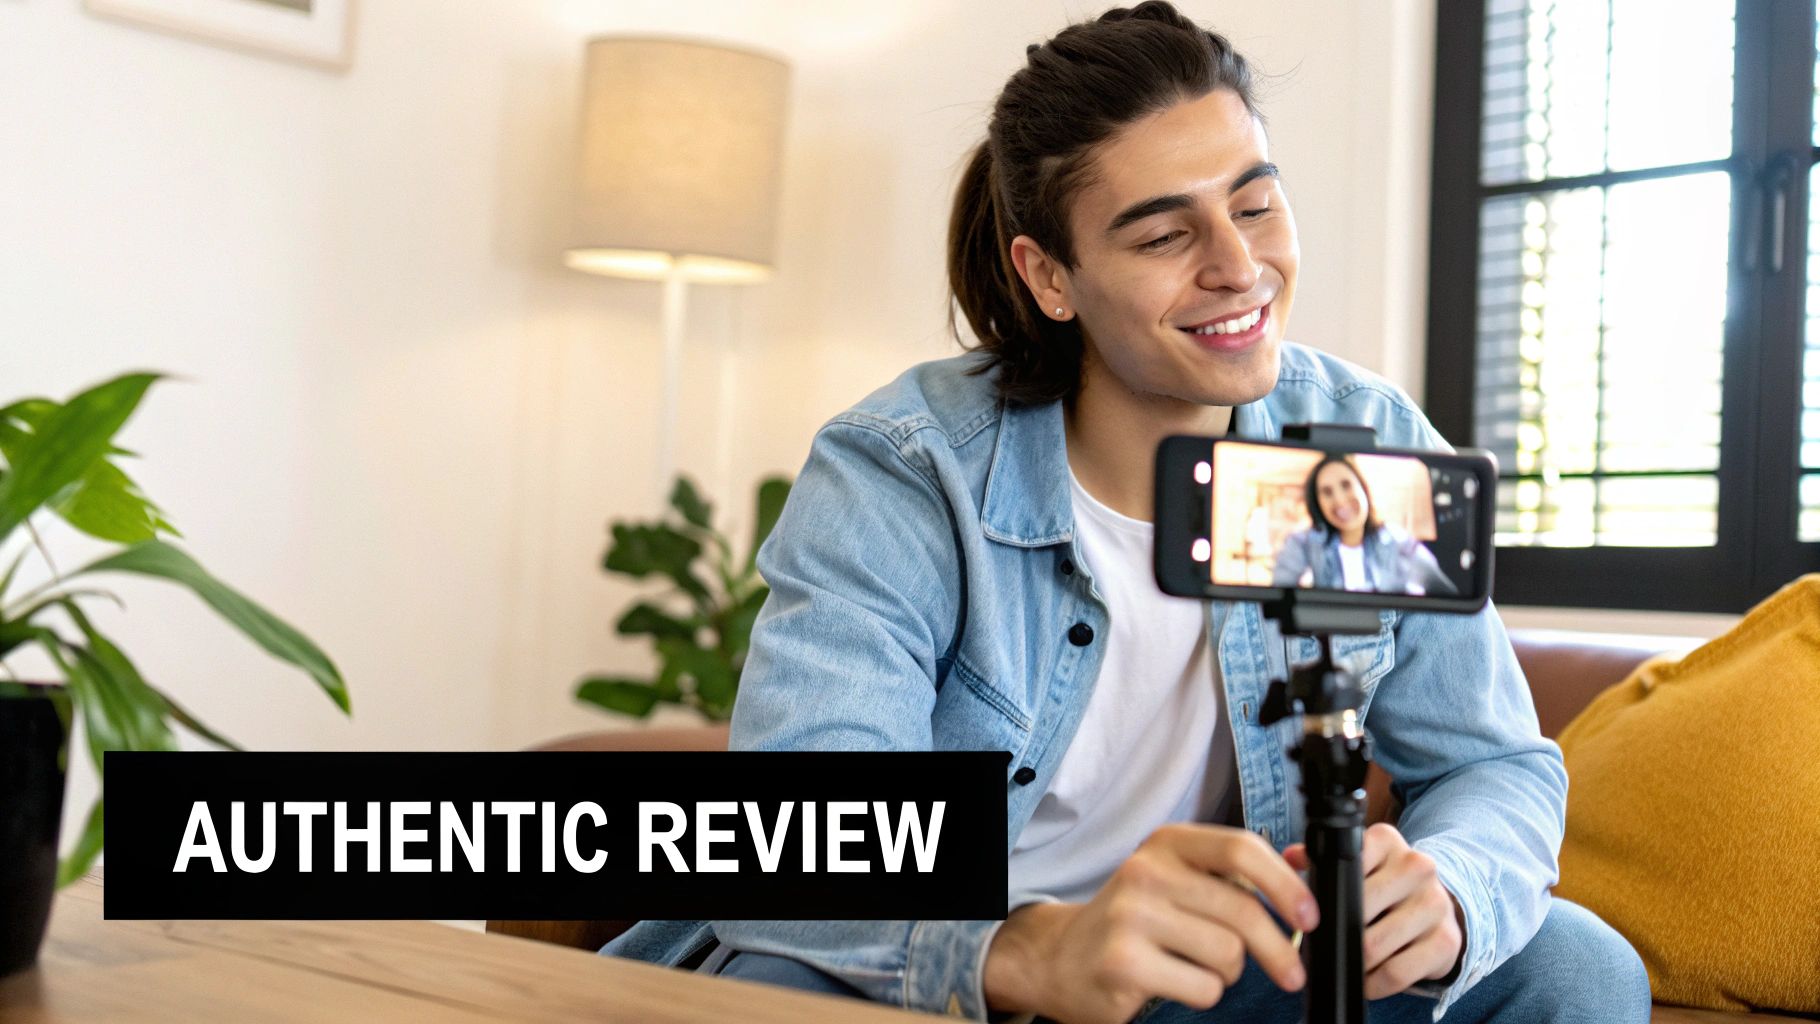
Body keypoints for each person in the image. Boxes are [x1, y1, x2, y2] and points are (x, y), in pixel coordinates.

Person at [601, 5, 1650, 1022]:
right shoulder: (903, 474)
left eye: (1253, 205)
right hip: (946, 972)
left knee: (1573, 967)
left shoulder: (1361, 446)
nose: (1237, 266)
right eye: (1161, 235)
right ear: (1049, 274)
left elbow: (1490, 763)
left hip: (1211, 975)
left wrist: (1450, 889)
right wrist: (1029, 949)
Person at [1271, 455, 1458, 596]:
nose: (1339, 500)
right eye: (1327, 492)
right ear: (1317, 503)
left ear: (1363, 489)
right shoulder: (1303, 544)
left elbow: (1444, 593)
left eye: (1346, 485)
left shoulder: (1398, 543)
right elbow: (1279, 595)